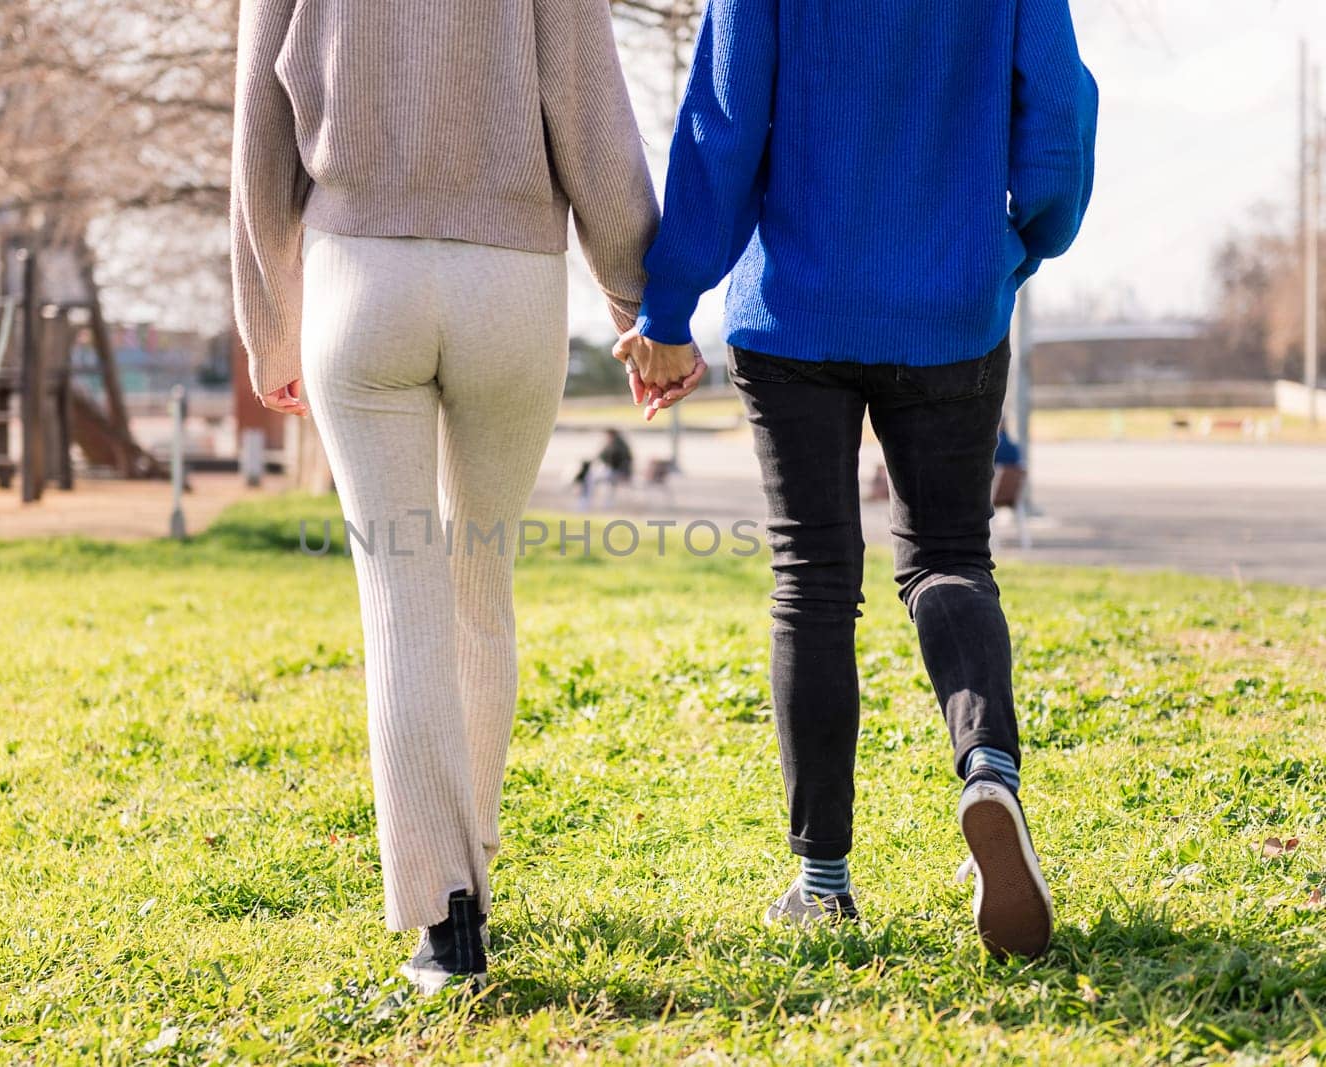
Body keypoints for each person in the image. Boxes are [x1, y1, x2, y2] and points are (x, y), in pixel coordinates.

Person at [230, 0, 702, 993]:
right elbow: (589, 108)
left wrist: (271, 320)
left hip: (360, 278)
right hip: (511, 286)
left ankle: (443, 923)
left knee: (401, 600)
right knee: (479, 587)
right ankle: (469, 883)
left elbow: (257, 123)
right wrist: (641, 304)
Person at [617, 0, 1097, 957]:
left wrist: (670, 309)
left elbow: (721, 124)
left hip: (794, 308)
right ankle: (987, 766)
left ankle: (823, 881)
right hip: (951, 302)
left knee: (814, 579)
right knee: (949, 556)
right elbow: (1057, 116)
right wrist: (1020, 242)